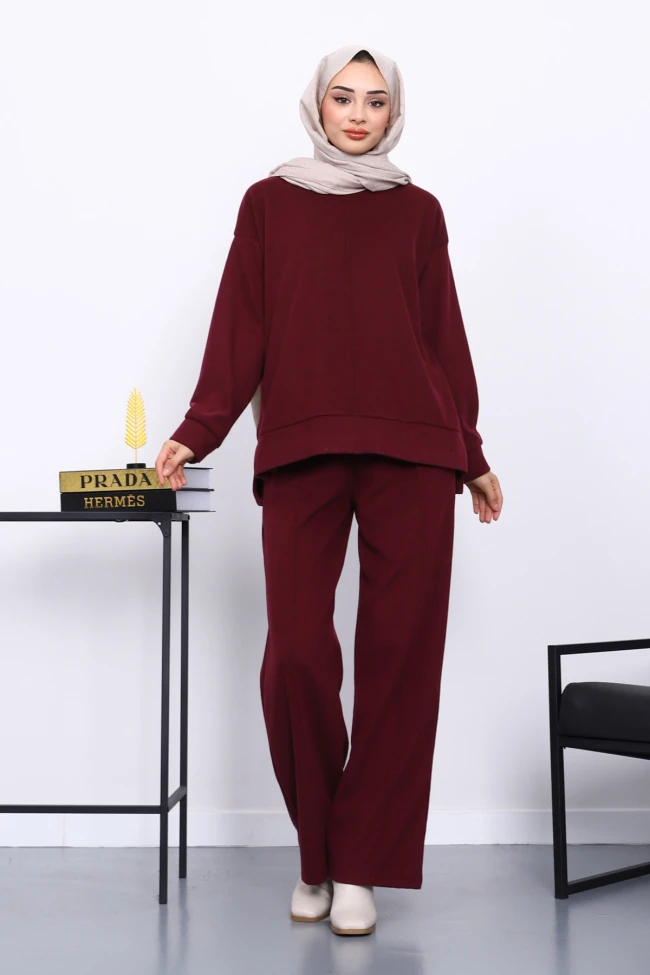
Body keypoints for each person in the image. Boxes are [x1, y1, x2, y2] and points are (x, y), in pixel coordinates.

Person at [156, 44, 503, 937]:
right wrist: (198, 427)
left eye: (375, 101)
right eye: (343, 98)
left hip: (414, 450)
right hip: (303, 446)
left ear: (394, 113)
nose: (357, 114)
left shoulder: (418, 211)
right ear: (317, 105)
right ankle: (317, 849)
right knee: (299, 655)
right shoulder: (268, 203)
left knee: (400, 661)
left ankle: (360, 867)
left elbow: (442, 338)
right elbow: (242, 325)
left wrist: (470, 452)